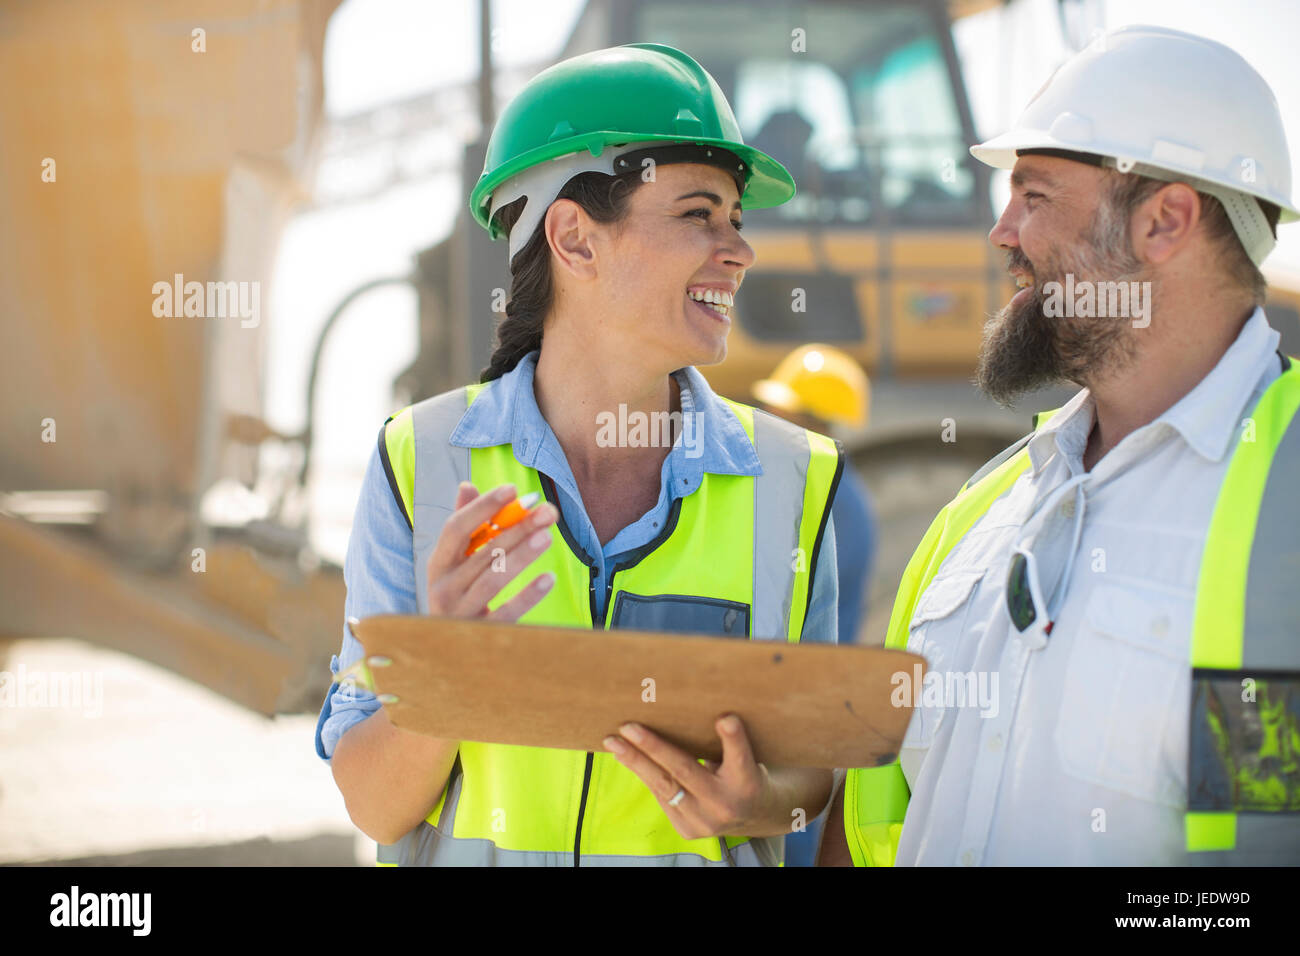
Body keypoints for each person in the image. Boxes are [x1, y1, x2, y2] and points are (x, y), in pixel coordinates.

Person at [314, 43, 846, 866]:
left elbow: (810, 770)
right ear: (575, 238)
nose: (738, 250)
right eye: (697, 213)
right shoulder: (419, 464)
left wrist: (762, 803)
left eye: (736, 220)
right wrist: (446, 674)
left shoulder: (792, 480)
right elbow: (375, 807)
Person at [822, 25, 1300, 866]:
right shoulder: (986, 508)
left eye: (1035, 197)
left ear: (1164, 221)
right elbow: (880, 817)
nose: (1002, 233)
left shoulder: (1286, 509)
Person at [752, 344, 876, 867]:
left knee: (791, 833)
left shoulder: (828, 501)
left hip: (799, 701)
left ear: (816, 423)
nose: (771, 422)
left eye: (786, 414)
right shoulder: (834, 494)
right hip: (799, 695)